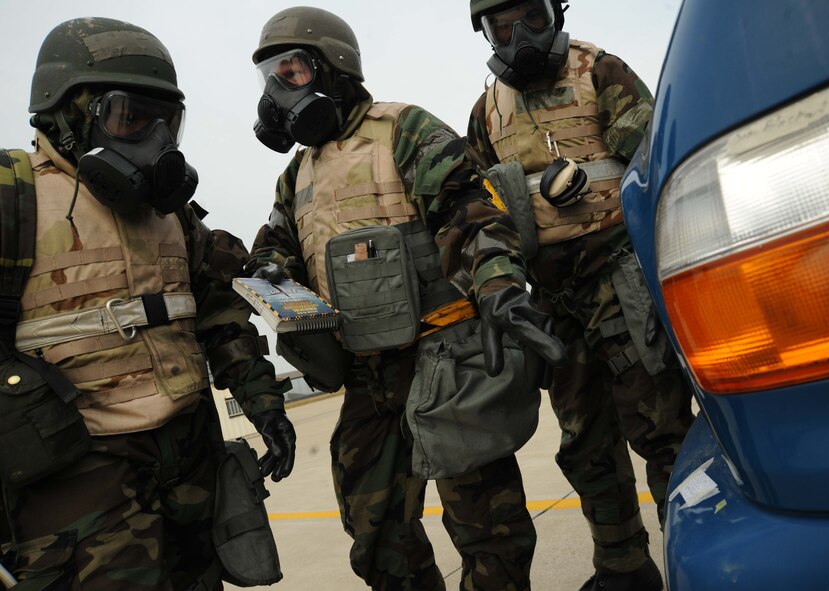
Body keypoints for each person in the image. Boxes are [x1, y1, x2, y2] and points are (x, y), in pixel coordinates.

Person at [245, 6, 567, 590]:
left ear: (332, 68)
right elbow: (273, 252)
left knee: (489, 530)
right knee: (374, 535)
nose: (277, 91)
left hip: (444, 358)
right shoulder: (296, 177)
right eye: (270, 77)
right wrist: (267, 273)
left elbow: (468, 211)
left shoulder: (403, 128)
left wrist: (497, 284)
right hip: (369, 377)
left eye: (290, 72)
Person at [0, 17, 296, 590]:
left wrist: (265, 404)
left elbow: (218, 315)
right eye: (129, 118)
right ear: (67, 116)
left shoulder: (175, 219)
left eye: (167, 125)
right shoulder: (16, 200)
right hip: (78, 482)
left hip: (190, 462)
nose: (154, 144)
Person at [466, 1, 695, 590]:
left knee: (662, 430)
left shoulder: (599, 72)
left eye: (531, 18)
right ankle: (623, 567)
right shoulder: (486, 112)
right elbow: (480, 210)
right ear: (486, 33)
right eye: (502, 26)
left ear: (554, 13)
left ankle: (697, 563)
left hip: (620, 278)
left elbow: (657, 157)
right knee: (584, 442)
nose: (519, 37)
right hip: (552, 298)